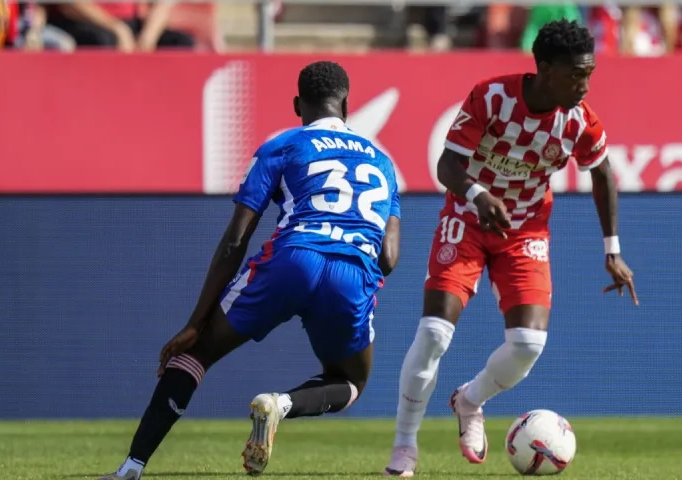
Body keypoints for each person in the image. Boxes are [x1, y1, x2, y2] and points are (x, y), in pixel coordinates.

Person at [98, 61, 402, 480]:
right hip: (351, 273)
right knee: (351, 382)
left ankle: (132, 467)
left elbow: (236, 239)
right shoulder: (383, 164)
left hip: (292, 259)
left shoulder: (283, 145)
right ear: (347, 105)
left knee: (197, 353)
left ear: (298, 104)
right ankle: (282, 405)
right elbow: (388, 257)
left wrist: (195, 322)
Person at [383, 19, 637, 478]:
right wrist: (479, 195)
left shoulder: (579, 121)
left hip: (525, 232)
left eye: (589, 74)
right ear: (543, 68)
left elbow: (602, 172)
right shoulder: (492, 97)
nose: (584, 85)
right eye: (574, 75)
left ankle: (469, 401)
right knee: (436, 333)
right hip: (467, 218)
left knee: (527, 343)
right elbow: (448, 164)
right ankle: (404, 447)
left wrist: (612, 249)